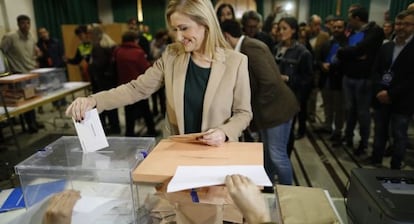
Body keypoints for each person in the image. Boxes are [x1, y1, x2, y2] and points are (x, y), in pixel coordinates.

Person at [66, 0, 252, 146]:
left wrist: (224, 132)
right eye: (175, 29)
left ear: (206, 23)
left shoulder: (236, 62)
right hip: (178, 150)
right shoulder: (172, 55)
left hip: (218, 152)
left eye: (184, 28)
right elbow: (136, 89)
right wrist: (94, 101)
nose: (178, 37)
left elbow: (243, 113)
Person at [221, 19, 299, 186]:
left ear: (226, 36)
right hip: (269, 111)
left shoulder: (250, 48)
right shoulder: (246, 46)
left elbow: (269, 82)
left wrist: (252, 112)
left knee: (277, 156)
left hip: (276, 110)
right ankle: (269, 187)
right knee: (266, 154)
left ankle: (290, 194)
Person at [370, 10, 414, 169]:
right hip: (381, 97)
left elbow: (411, 79)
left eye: (407, 24)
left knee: (399, 135)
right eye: (399, 24)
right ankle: (376, 160)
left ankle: (396, 166)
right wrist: (378, 90)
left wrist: (391, 94)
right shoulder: (386, 46)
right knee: (379, 132)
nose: (401, 27)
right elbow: (375, 70)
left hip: (402, 101)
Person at [337, 7, 384, 155]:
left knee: (363, 113)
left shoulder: (374, 31)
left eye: (350, 18)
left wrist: (350, 53)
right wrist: (352, 54)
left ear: (357, 19)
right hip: (348, 77)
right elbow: (341, 49)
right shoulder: (350, 31)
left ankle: (363, 143)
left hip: (363, 79)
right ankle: (348, 137)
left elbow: (360, 49)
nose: (348, 21)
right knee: (349, 110)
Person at [273, 17, 313, 144]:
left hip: (291, 97)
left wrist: (288, 78)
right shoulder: (276, 48)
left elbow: (307, 80)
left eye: (284, 28)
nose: (281, 32)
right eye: (279, 28)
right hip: (274, 96)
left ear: (294, 30)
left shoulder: (302, 52)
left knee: (287, 133)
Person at [0, 15, 42, 133]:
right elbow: (2, 52)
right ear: (18, 24)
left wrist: (36, 58)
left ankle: (33, 121)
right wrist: (7, 71)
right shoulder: (10, 37)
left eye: (28, 23)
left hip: (30, 73)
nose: (26, 26)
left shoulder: (31, 37)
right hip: (18, 74)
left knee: (32, 99)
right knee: (23, 102)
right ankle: (29, 125)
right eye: (23, 23)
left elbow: (34, 50)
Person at [115, 31, 158, 136]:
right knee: (146, 110)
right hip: (139, 87)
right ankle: (151, 131)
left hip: (125, 86)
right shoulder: (138, 52)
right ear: (134, 40)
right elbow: (145, 69)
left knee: (128, 112)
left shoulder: (118, 51)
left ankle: (129, 133)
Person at [88, 25, 121, 134]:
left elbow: (98, 65)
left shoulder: (97, 47)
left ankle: (103, 129)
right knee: (112, 105)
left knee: (100, 105)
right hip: (111, 80)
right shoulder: (111, 44)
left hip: (101, 82)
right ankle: (115, 126)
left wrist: (90, 65)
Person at [319, 18, 347, 146]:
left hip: (339, 81)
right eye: (334, 27)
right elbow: (318, 59)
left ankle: (338, 131)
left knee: (339, 108)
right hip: (326, 79)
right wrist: (322, 64)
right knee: (328, 105)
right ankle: (328, 125)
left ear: (344, 29)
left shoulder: (347, 45)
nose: (336, 29)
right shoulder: (327, 43)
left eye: (339, 27)